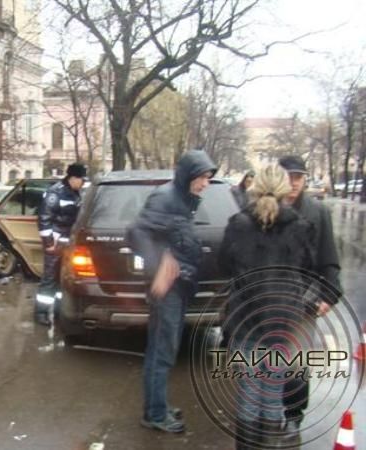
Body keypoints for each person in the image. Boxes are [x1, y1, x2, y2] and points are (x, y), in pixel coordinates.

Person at [220, 165, 318, 449]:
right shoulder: (301, 227)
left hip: (247, 319)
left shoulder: (238, 224)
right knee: (273, 394)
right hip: (283, 322)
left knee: (249, 393)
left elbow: (224, 264)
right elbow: (308, 269)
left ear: (255, 187)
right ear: (285, 189)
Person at [126, 149, 217, 433]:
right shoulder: (165, 197)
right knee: (162, 351)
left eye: (208, 178)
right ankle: (154, 414)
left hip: (180, 285)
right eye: (202, 177)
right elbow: (136, 233)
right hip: (168, 290)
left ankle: (158, 405)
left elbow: (170, 235)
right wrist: (159, 265)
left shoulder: (183, 199)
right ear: (188, 174)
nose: (205, 184)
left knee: (165, 349)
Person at [278, 155, 342, 441]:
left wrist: (329, 295)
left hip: (305, 298)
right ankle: (266, 411)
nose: (293, 183)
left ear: (304, 180)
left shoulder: (317, 212)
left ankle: (293, 415)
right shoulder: (267, 208)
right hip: (271, 297)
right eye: (289, 177)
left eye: (298, 178)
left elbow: (329, 256)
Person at [35, 163, 86, 325]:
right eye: (81, 179)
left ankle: (57, 310)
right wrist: (49, 243)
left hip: (68, 241)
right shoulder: (55, 193)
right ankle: (41, 312)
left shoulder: (76, 193)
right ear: (73, 178)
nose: (83, 182)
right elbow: (44, 219)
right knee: (50, 278)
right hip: (56, 242)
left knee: (62, 279)